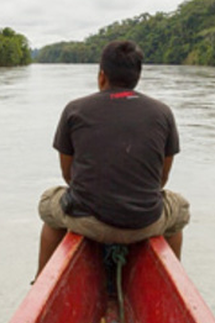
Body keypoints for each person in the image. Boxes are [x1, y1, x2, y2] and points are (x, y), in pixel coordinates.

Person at [37, 40, 190, 276]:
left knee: (48, 204)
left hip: (87, 220)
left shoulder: (74, 109)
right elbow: (162, 178)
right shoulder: (163, 112)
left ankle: (40, 282)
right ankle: (176, 280)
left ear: (101, 76)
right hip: (145, 221)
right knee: (178, 210)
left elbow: (69, 176)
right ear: (137, 78)